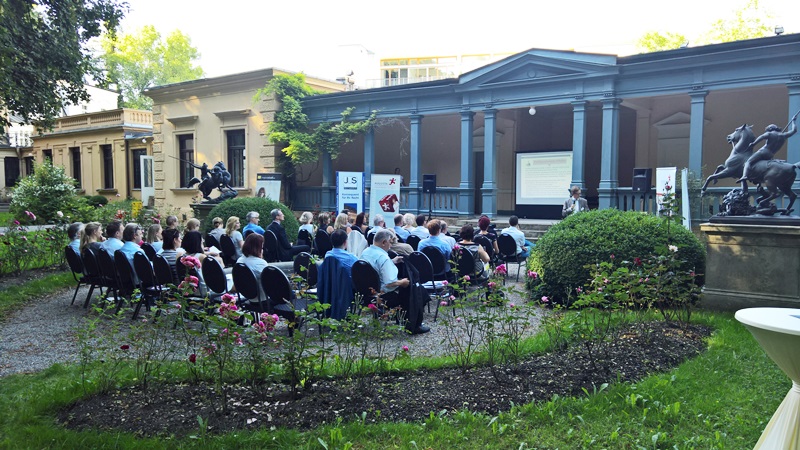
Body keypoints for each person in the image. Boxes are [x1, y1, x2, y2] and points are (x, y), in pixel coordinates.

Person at [360, 229, 429, 334]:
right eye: (390, 242)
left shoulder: (366, 252)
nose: (391, 245)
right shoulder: (383, 257)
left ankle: (406, 319)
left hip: (367, 293)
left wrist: (392, 261)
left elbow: (374, 269)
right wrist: (402, 282)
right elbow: (390, 283)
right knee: (416, 289)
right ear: (384, 242)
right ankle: (413, 324)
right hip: (384, 296)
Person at [737, 117, 798, 186]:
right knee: (761, 166)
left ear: (770, 129)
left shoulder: (770, 134)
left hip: (763, 151)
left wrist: (754, 143)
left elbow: (761, 137)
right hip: (770, 155)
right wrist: (793, 121)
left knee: (748, 162)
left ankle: (744, 176)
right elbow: (794, 130)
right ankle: (758, 182)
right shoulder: (784, 135)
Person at [318, 229, 358, 320]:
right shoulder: (351, 258)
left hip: (329, 287)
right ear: (345, 242)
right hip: (345, 290)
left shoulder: (328, 255)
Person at [236, 233, 269, 299]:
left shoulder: (240, 260)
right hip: (263, 299)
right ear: (258, 248)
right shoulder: (261, 263)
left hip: (248, 296)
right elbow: (270, 282)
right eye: (262, 247)